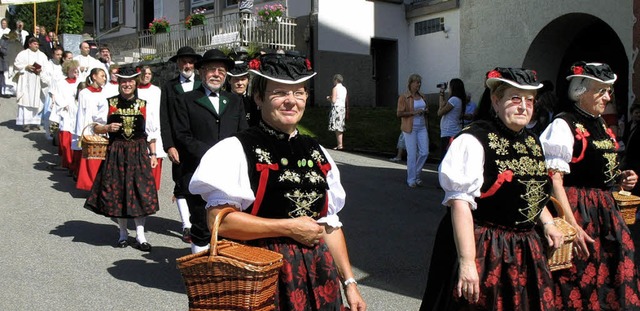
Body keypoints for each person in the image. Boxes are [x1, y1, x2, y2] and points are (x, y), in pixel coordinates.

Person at [189, 51, 367, 311]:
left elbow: (329, 225)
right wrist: (288, 227)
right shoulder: (237, 149)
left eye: (299, 92)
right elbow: (220, 222)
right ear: (259, 98)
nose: (291, 101)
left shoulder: (317, 151)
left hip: (319, 273)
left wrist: (350, 283)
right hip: (261, 273)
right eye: (280, 93)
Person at [420, 67, 563, 310]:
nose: (523, 106)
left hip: (524, 247)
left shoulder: (531, 141)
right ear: (496, 101)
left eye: (529, 100)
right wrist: (467, 263)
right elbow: (460, 203)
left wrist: (548, 223)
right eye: (515, 98)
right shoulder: (474, 139)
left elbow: (533, 191)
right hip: (484, 245)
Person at [540, 61, 640, 310]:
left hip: (605, 208)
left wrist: (621, 178)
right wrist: (571, 224)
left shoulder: (601, 124)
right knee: (578, 278)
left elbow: (599, 168)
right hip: (578, 208)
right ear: (581, 90)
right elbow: (554, 179)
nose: (607, 97)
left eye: (609, 91)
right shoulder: (564, 124)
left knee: (610, 275)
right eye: (601, 91)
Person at [172, 48, 248, 253]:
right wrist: (214, 155)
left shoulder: (234, 101)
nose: (216, 74)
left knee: (228, 224)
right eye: (212, 69)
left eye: (221, 71)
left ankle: (224, 273)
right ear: (201, 72)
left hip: (229, 175)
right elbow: (182, 136)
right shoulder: (185, 100)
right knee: (200, 225)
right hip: (198, 172)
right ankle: (200, 277)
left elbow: (243, 134)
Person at [84, 67, 159, 252]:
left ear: (136, 82)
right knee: (119, 192)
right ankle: (123, 234)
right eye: (123, 81)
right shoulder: (109, 102)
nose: (127, 84)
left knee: (140, 192)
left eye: (131, 81)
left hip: (139, 151)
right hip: (116, 151)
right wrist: (107, 127)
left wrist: (154, 154)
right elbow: (95, 127)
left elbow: (151, 132)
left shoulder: (143, 104)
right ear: (119, 83)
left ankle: (140, 235)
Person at [160, 46, 202, 243]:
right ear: (178, 64)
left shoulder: (203, 85)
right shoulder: (169, 86)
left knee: (202, 183)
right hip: (179, 144)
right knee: (182, 185)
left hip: (200, 142)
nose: (187, 65)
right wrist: (169, 145)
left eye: (190, 62)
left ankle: (202, 222)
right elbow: (165, 118)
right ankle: (187, 225)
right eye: (184, 61)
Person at [73, 68, 108, 190]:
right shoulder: (84, 93)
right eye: (102, 76)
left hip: (103, 128)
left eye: (105, 76)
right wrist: (81, 133)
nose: (104, 78)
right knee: (90, 158)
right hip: (88, 128)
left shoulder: (106, 93)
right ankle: (89, 185)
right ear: (94, 76)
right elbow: (81, 114)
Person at [397, 74, 428, 188]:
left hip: (422, 127)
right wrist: (414, 113)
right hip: (409, 128)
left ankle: (416, 174)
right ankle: (412, 179)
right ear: (410, 84)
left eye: (419, 83)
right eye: (416, 82)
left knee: (424, 152)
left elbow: (425, 110)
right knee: (412, 154)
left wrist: (425, 111)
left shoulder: (423, 96)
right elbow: (399, 113)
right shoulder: (404, 97)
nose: (418, 85)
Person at [136, 65, 165, 190]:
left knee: (155, 157)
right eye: (144, 73)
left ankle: (152, 188)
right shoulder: (135, 90)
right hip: (140, 127)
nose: (147, 75)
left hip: (155, 126)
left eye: (149, 73)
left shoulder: (156, 90)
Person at [49, 60, 80, 171]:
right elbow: (57, 97)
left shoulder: (80, 82)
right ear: (67, 71)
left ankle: (74, 163)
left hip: (77, 113)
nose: (75, 71)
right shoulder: (61, 83)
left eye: (76, 69)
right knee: (66, 141)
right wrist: (65, 105)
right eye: (73, 69)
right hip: (66, 113)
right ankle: (66, 163)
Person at [14, 37, 49, 132]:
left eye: (38, 44)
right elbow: (17, 64)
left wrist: (41, 70)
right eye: (35, 44)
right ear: (30, 44)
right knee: (25, 101)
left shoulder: (42, 55)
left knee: (38, 101)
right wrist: (26, 66)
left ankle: (35, 122)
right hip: (26, 81)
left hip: (37, 81)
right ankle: (26, 123)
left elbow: (46, 68)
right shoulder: (23, 54)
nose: (37, 46)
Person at [437, 78, 467, 159]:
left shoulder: (454, 100)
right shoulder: (458, 100)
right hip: (451, 131)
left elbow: (440, 112)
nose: (449, 89)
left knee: (445, 158)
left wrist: (441, 107)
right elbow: (442, 106)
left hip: (449, 132)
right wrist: (441, 93)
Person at [227, 57, 259, 126]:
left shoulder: (254, 102)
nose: (240, 83)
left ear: (248, 80)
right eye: (236, 79)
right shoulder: (223, 101)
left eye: (243, 79)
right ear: (229, 80)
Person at [622, 103, 640, 196]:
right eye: (636, 113)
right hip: (627, 157)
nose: (638, 115)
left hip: (636, 159)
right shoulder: (628, 125)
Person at [327, 74, 347, 150]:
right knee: (340, 126)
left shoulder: (335, 88)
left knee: (336, 127)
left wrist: (329, 98)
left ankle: (340, 145)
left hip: (336, 108)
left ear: (336, 80)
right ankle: (340, 144)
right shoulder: (344, 88)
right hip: (342, 108)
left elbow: (334, 100)